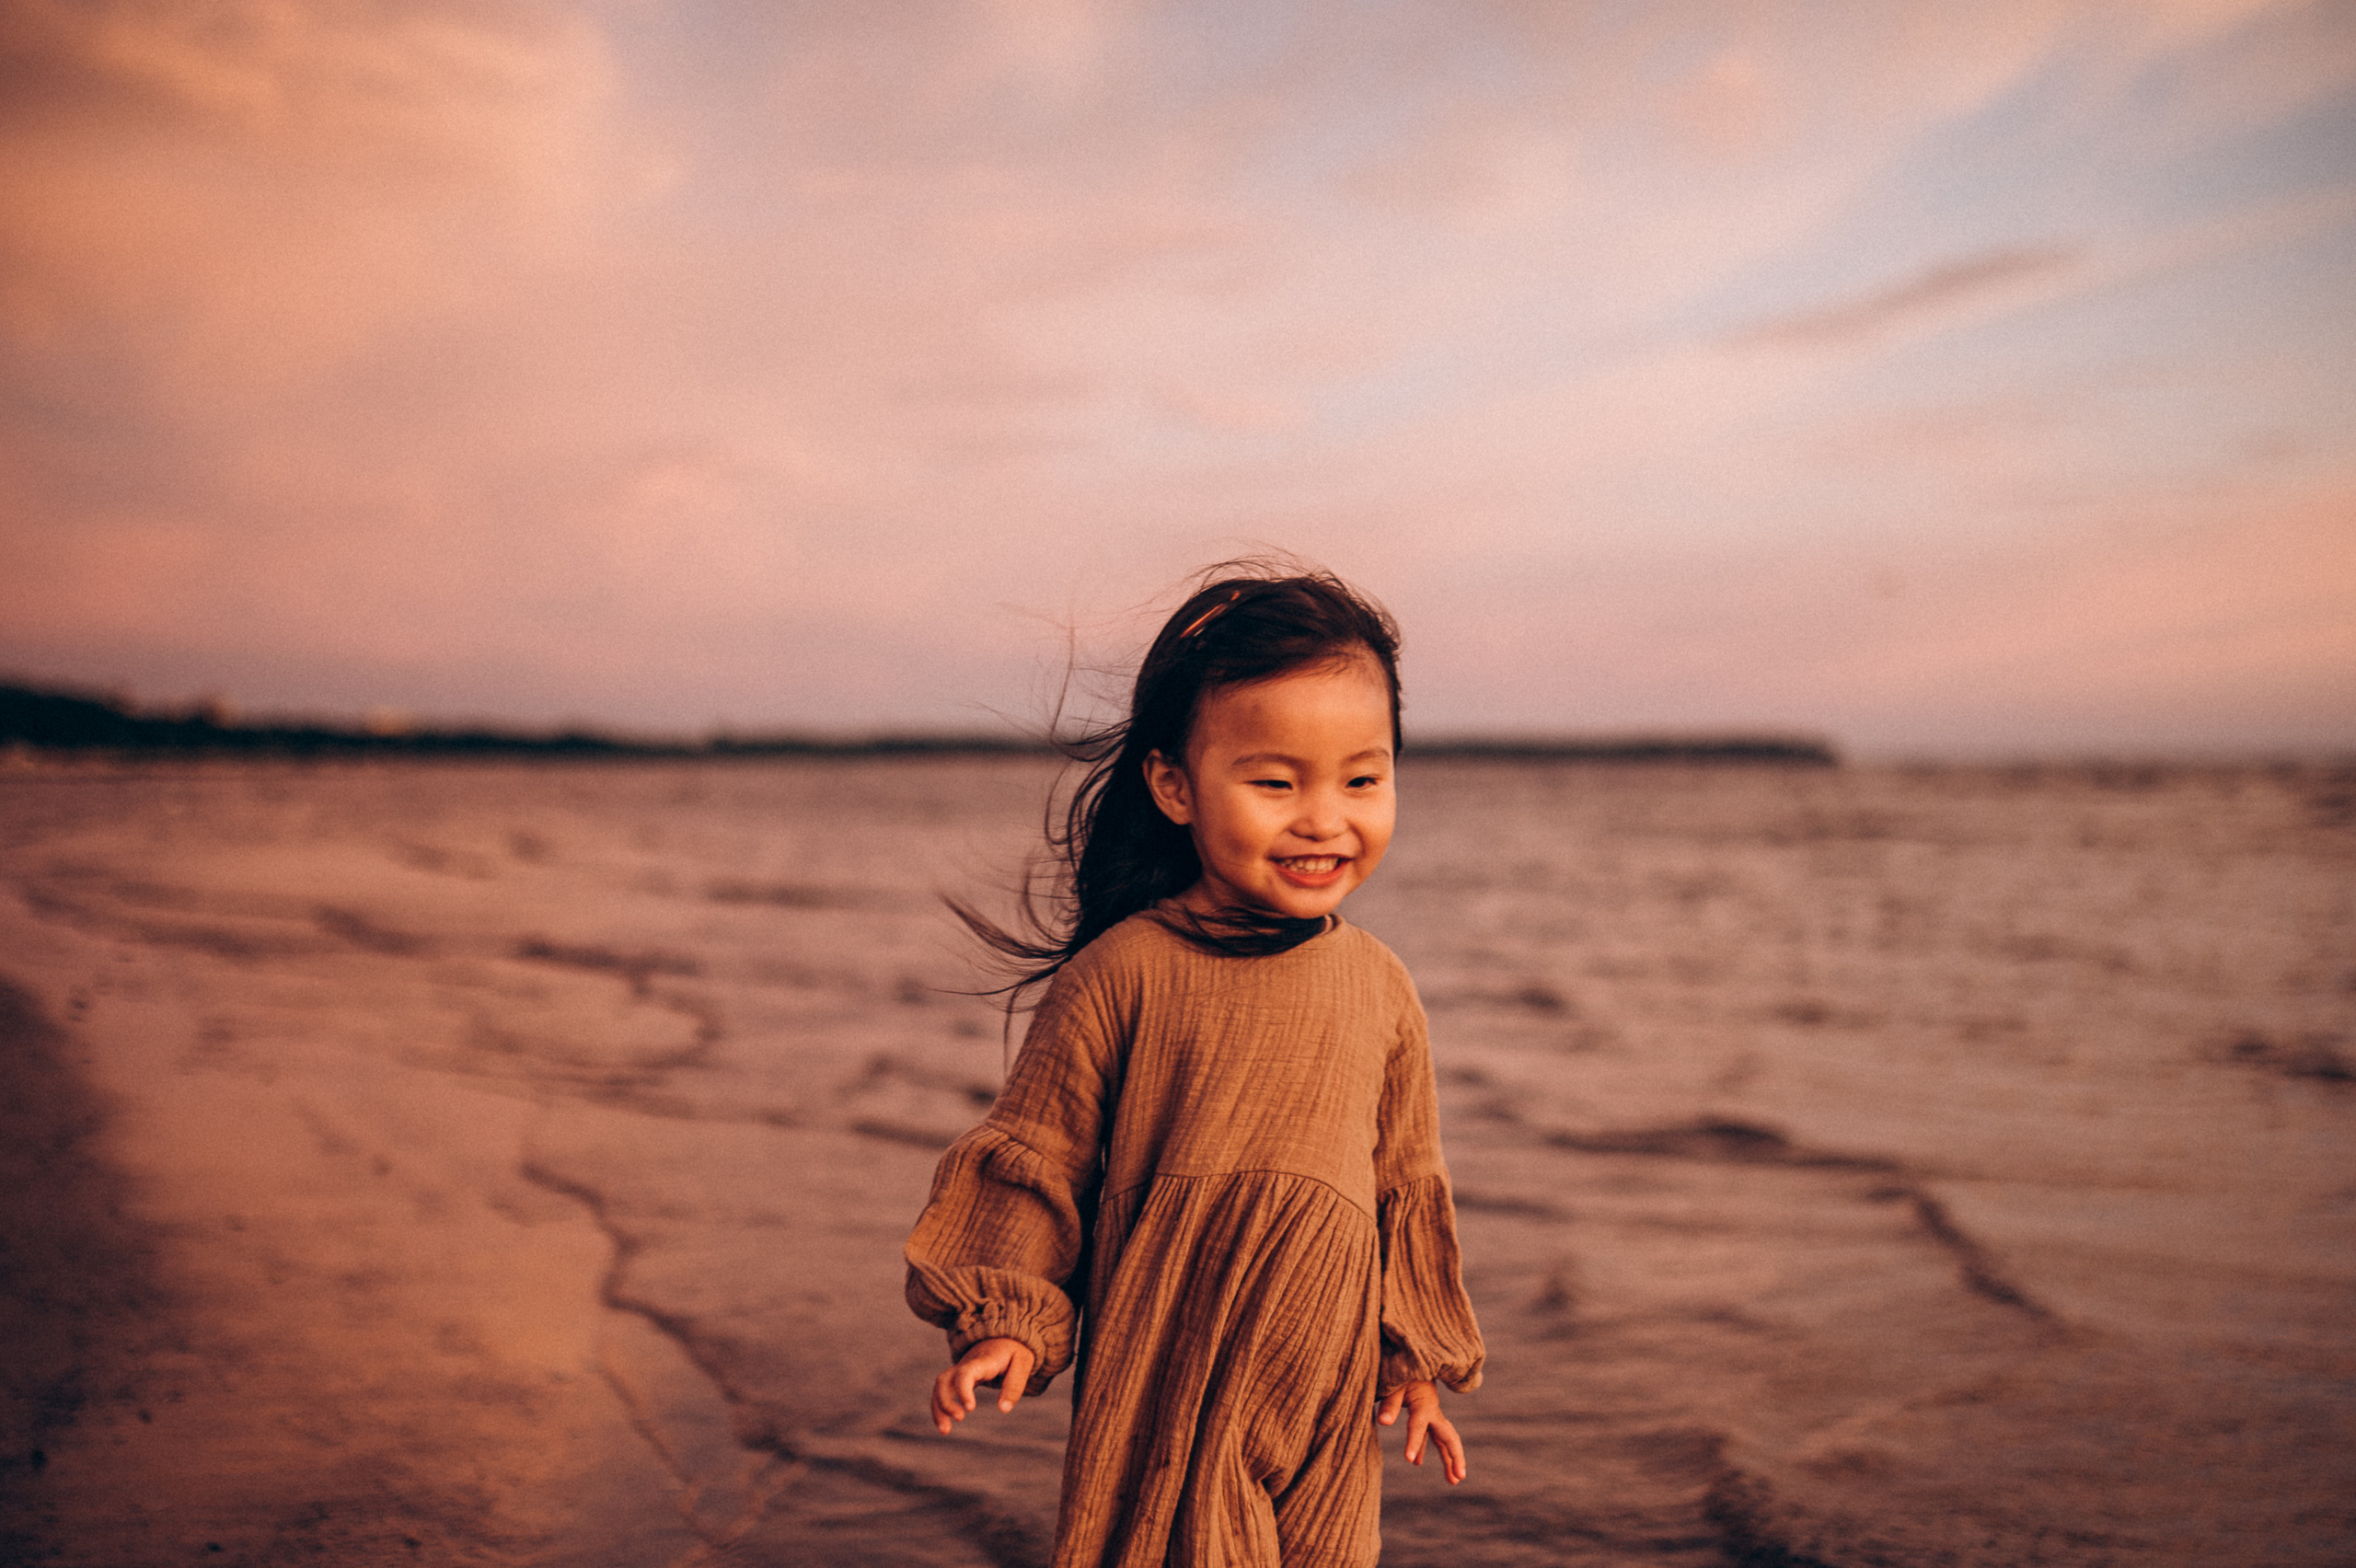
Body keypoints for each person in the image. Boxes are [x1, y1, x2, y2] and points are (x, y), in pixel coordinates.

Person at [904, 566, 1484, 1566]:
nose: (1324, 819)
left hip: (1325, 1391)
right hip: (1172, 1370)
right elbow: (1037, 1158)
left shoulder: (1382, 987)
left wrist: (1414, 1362)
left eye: (1362, 779)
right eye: (1275, 783)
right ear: (1174, 785)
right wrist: (1009, 1323)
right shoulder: (1121, 973)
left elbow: (1405, 1186)